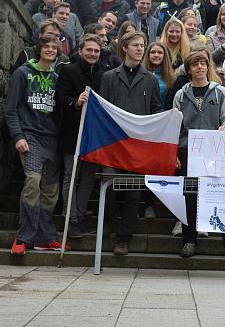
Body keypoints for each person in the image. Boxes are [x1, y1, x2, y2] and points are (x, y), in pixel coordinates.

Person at [172, 50, 225, 259]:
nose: (200, 67)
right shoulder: (181, 94)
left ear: (208, 67)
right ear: (188, 69)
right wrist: (173, 152)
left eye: (203, 63)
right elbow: (174, 127)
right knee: (189, 197)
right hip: (188, 151)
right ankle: (189, 240)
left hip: (215, 151)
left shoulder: (220, 92)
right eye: (195, 64)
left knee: (221, 195)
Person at [98, 31, 162, 255]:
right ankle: (107, 223)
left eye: (142, 45)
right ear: (124, 48)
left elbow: (156, 111)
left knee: (134, 192)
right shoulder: (108, 77)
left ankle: (124, 238)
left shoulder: (151, 80)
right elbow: (102, 110)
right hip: (113, 145)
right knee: (109, 186)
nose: (140, 49)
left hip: (138, 146)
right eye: (135, 45)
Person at [5, 37, 62, 255]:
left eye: (54, 47)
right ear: (39, 50)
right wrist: (17, 136)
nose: (50, 50)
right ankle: (24, 237)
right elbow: (10, 108)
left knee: (51, 190)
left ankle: (45, 237)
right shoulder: (22, 73)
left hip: (52, 139)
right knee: (32, 181)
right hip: (29, 136)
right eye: (46, 47)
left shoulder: (57, 78)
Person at [54, 34, 103, 239]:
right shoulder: (68, 70)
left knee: (89, 177)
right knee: (70, 176)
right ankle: (70, 219)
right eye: (89, 50)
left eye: (96, 51)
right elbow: (59, 98)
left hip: (95, 134)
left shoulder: (104, 74)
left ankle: (79, 216)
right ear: (81, 51)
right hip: (72, 132)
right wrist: (76, 101)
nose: (92, 54)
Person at [144, 41, 176, 110]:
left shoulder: (171, 77)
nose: (156, 55)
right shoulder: (140, 74)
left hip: (163, 115)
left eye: (160, 52)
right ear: (148, 55)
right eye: (153, 52)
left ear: (164, 55)